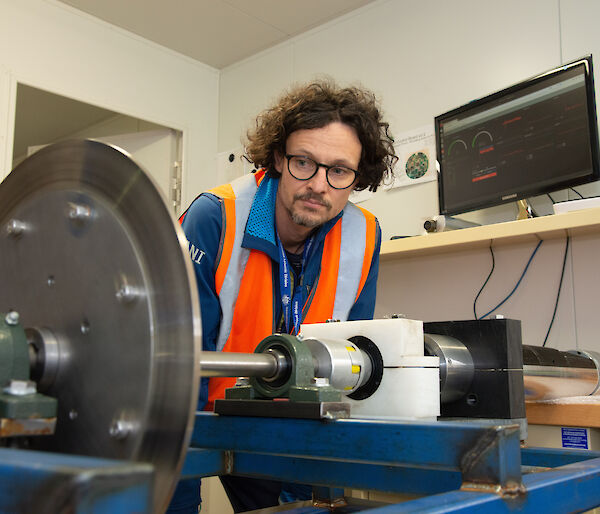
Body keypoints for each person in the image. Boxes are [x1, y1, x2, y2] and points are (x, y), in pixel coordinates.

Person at [167, 79, 397, 513]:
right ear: (277, 158)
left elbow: (353, 368)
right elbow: (178, 371)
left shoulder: (365, 236)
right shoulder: (215, 217)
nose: (319, 185)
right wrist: (180, 496)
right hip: (211, 416)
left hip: (302, 425)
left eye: (339, 171)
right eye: (304, 163)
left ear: (357, 177)